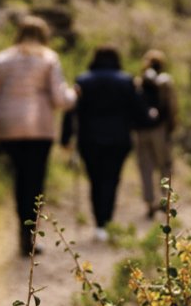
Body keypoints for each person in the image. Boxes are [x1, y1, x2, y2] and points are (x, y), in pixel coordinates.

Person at [0, 14, 77, 255]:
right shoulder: (48, 59)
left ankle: (21, 231)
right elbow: (60, 99)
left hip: (9, 127)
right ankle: (30, 235)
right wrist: (74, 95)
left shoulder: (2, 59)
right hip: (39, 128)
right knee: (35, 183)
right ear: (44, 35)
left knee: (20, 180)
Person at [64, 46, 151, 241]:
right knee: (112, 180)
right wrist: (147, 121)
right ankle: (107, 221)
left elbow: (71, 111)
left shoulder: (83, 80)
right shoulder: (126, 81)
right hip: (119, 139)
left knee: (95, 180)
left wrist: (65, 137)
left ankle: (99, 223)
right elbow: (139, 111)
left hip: (89, 139)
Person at [134, 50, 178, 218]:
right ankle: (165, 200)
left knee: (145, 167)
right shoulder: (166, 82)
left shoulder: (139, 82)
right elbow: (172, 107)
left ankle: (149, 202)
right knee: (165, 165)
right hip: (160, 130)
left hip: (141, 131)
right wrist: (171, 127)